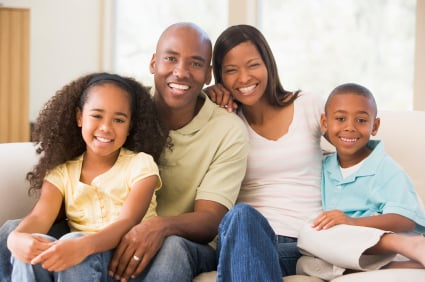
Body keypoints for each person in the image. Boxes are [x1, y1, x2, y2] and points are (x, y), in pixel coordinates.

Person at [0, 22, 249, 282]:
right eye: (171, 59)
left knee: (171, 248)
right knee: (12, 232)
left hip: (177, 238)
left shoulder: (227, 129)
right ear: (153, 62)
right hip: (106, 230)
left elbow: (210, 220)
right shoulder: (128, 106)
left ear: (208, 74)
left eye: (196, 64)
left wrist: (156, 227)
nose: (181, 72)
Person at [6, 72, 167, 281]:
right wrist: (17, 239)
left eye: (118, 120)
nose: (106, 127)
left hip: (124, 265)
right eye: (97, 115)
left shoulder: (140, 164)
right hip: (76, 266)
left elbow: (128, 221)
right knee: (25, 243)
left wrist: (82, 245)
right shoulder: (62, 172)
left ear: (130, 126)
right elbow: (40, 216)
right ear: (79, 117)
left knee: (72, 241)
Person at [205, 24, 324, 281]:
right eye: (231, 70)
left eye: (253, 65)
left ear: (268, 63)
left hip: (311, 245)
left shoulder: (308, 105)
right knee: (242, 215)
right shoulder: (224, 121)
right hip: (249, 240)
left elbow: (356, 147)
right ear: (220, 78)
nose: (245, 78)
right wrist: (201, 100)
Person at [296, 83, 425, 280]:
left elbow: (405, 219)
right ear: (324, 123)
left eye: (361, 120)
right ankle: (395, 267)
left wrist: (353, 223)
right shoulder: (323, 166)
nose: (350, 127)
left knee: (311, 231)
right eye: (340, 119)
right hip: (349, 247)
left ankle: (413, 248)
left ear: (374, 126)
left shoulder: (384, 167)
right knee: (305, 262)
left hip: (391, 244)